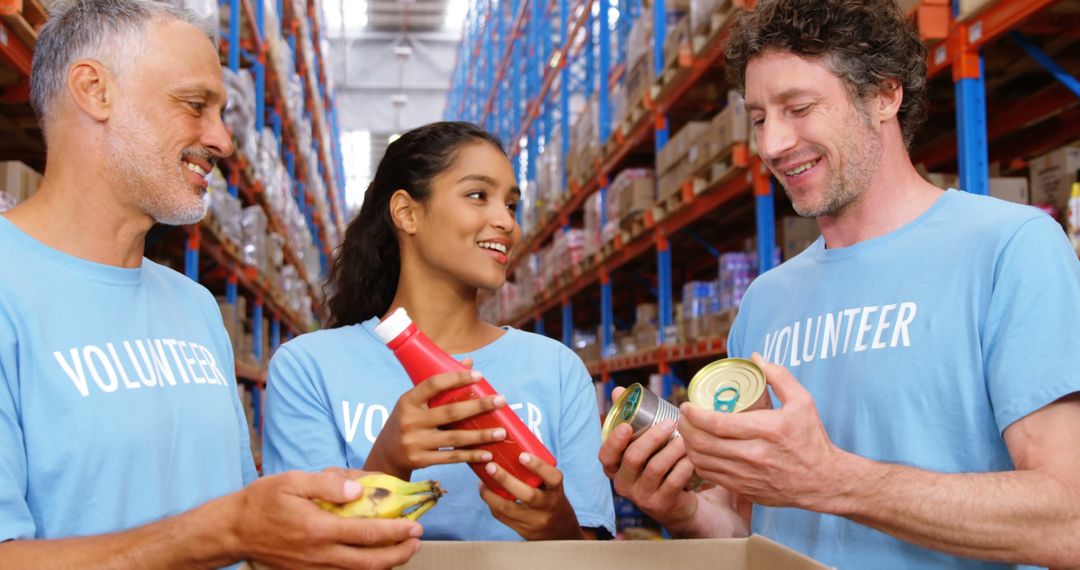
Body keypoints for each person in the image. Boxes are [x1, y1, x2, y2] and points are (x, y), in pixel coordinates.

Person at [600, 0, 1080, 568]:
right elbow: (749, 525)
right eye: (758, 118)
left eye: (798, 107)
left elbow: (1067, 519)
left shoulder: (1008, 247)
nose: (773, 144)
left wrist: (835, 480)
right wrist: (682, 511)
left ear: (883, 94)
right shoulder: (765, 300)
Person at [0, 1, 421, 568]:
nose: (222, 139)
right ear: (94, 90)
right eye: (195, 105)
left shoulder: (195, 307)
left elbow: (236, 518)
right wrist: (226, 531)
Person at [261, 121, 616, 541]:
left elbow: (588, 553)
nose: (505, 221)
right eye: (478, 195)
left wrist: (559, 527)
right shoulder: (308, 367)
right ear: (407, 213)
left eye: (511, 204)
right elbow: (303, 550)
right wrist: (388, 460)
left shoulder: (557, 369)